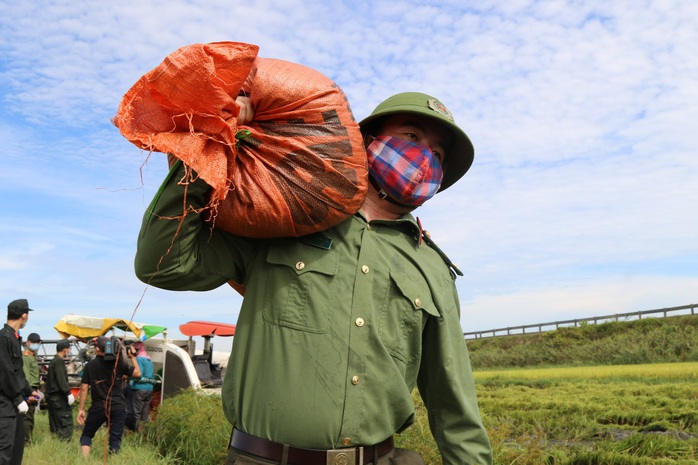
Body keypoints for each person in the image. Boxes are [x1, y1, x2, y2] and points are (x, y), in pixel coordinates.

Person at [134, 92, 493, 465]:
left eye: (437, 155)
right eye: (412, 137)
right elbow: (162, 264)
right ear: (366, 140)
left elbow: (454, 407)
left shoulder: (432, 268)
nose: (424, 158)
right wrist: (211, 146)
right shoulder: (285, 218)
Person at [76, 336, 140, 457]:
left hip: (99, 407)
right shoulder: (119, 363)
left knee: (87, 435)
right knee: (115, 439)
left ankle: (84, 461)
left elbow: (84, 388)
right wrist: (133, 357)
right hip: (118, 406)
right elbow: (138, 373)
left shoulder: (90, 365)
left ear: (97, 349)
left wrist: (81, 409)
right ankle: (113, 460)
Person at [0, 299, 40, 465]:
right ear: (24, 316)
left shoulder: (15, 338)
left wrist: (29, 391)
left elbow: (18, 373)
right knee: (5, 451)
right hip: (5, 405)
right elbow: (5, 372)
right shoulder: (3, 338)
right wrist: (18, 398)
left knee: (16, 450)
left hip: (14, 405)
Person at [45, 339, 75, 441]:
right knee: (64, 421)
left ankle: (56, 443)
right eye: (69, 349)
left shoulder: (54, 361)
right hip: (59, 397)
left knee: (55, 423)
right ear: (65, 349)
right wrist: (68, 393)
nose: (69, 351)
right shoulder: (58, 362)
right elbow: (61, 379)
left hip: (52, 398)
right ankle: (64, 443)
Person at [127, 341, 154, 431]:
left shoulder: (139, 359)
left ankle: (137, 433)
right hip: (149, 389)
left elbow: (138, 374)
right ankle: (144, 432)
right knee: (145, 413)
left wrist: (128, 376)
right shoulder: (149, 360)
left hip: (139, 389)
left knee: (136, 413)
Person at [21, 332, 42, 445]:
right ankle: (26, 442)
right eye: (34, 342)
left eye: (38, 342)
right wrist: (28, 394)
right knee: (27, 417)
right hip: (29, 389)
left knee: (30, 416)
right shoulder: (26, 356)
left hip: (32, 389)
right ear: (28, 343)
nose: (36, 344)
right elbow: (26, 377)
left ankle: (27, 440)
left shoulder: (32, 355)